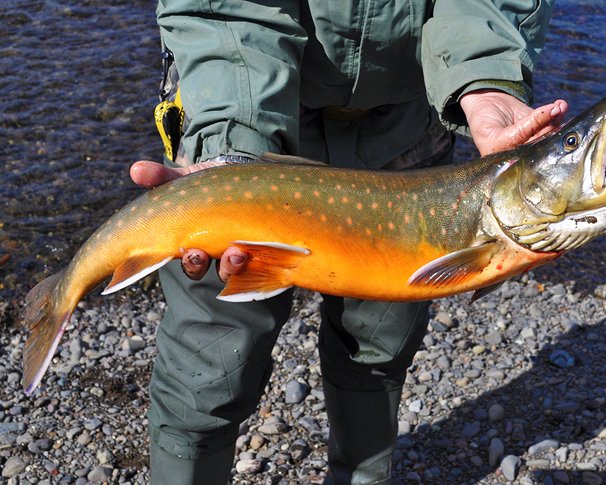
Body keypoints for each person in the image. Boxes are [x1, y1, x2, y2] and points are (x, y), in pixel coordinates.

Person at [130, 1, 569, 483]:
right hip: (239, 111)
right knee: (209, 360)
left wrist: (486, 80)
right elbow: (222, 10)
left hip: (406, 127)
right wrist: (234, 152)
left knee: (377, 350)